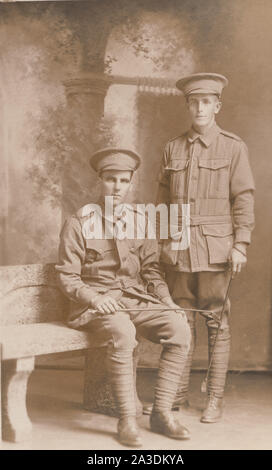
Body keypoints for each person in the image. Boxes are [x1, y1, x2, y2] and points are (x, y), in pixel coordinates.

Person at [55, 148, 191, 446]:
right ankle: (127, 419)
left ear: (131, 182)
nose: (117, 187)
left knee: (180, 328)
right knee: (123, 331)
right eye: (110, 179)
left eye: (123, 180)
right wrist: (94, 298)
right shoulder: (78, 222)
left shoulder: (140, 221)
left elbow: (152, 271)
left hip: (132, 298)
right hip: (95, 304)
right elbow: (67, 276)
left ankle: (161, 413)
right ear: (99, 180)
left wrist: (167, 302)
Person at [144, 73, 255, 423]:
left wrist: (240, 244)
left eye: (206, 101)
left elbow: (243, 198)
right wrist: (160, 243)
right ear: (187, 105)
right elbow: (161, 201)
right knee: (180, 322)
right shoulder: (172, 148)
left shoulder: (233, 146)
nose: (200, 107)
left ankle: (215, 398)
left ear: (217, 105)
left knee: (216, 325)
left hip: (215, 250)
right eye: (194, 102)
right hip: (177, 249)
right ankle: (174, 395)